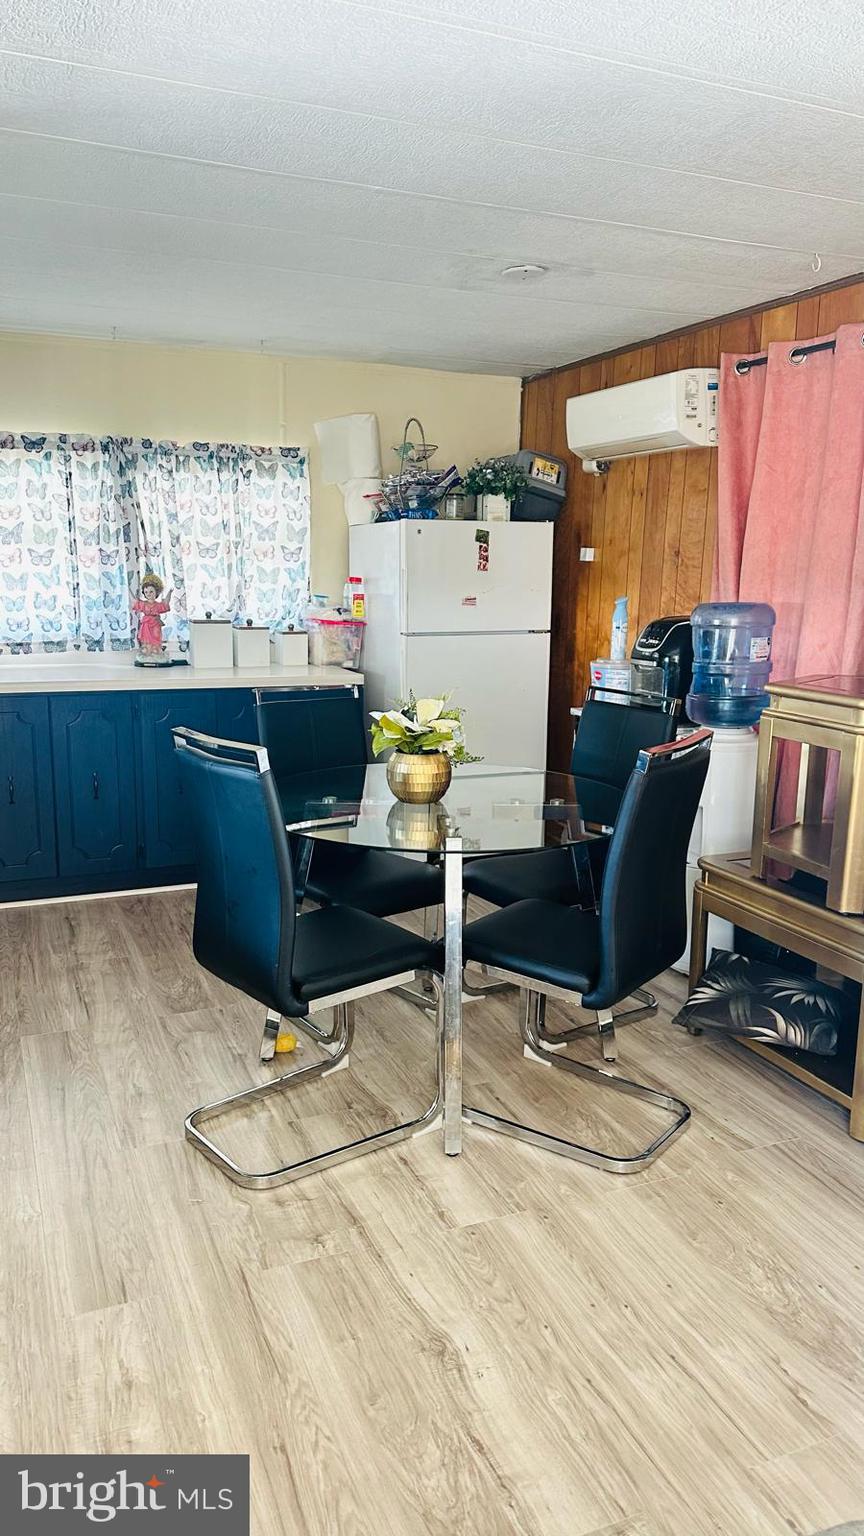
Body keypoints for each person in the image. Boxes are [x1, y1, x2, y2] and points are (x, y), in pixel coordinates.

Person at [133, 572, 172, 655]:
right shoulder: (143, 604)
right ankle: (147, 651)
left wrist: (170, 592)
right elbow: (135, 601)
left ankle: (156, 651)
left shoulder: (158, 605)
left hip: (155, 624)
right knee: (146, 639)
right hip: (146, 624)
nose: (148, 594)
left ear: (156, 592)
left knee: (156, 638)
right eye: (146, 592)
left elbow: (165, 603)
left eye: (151, 592)